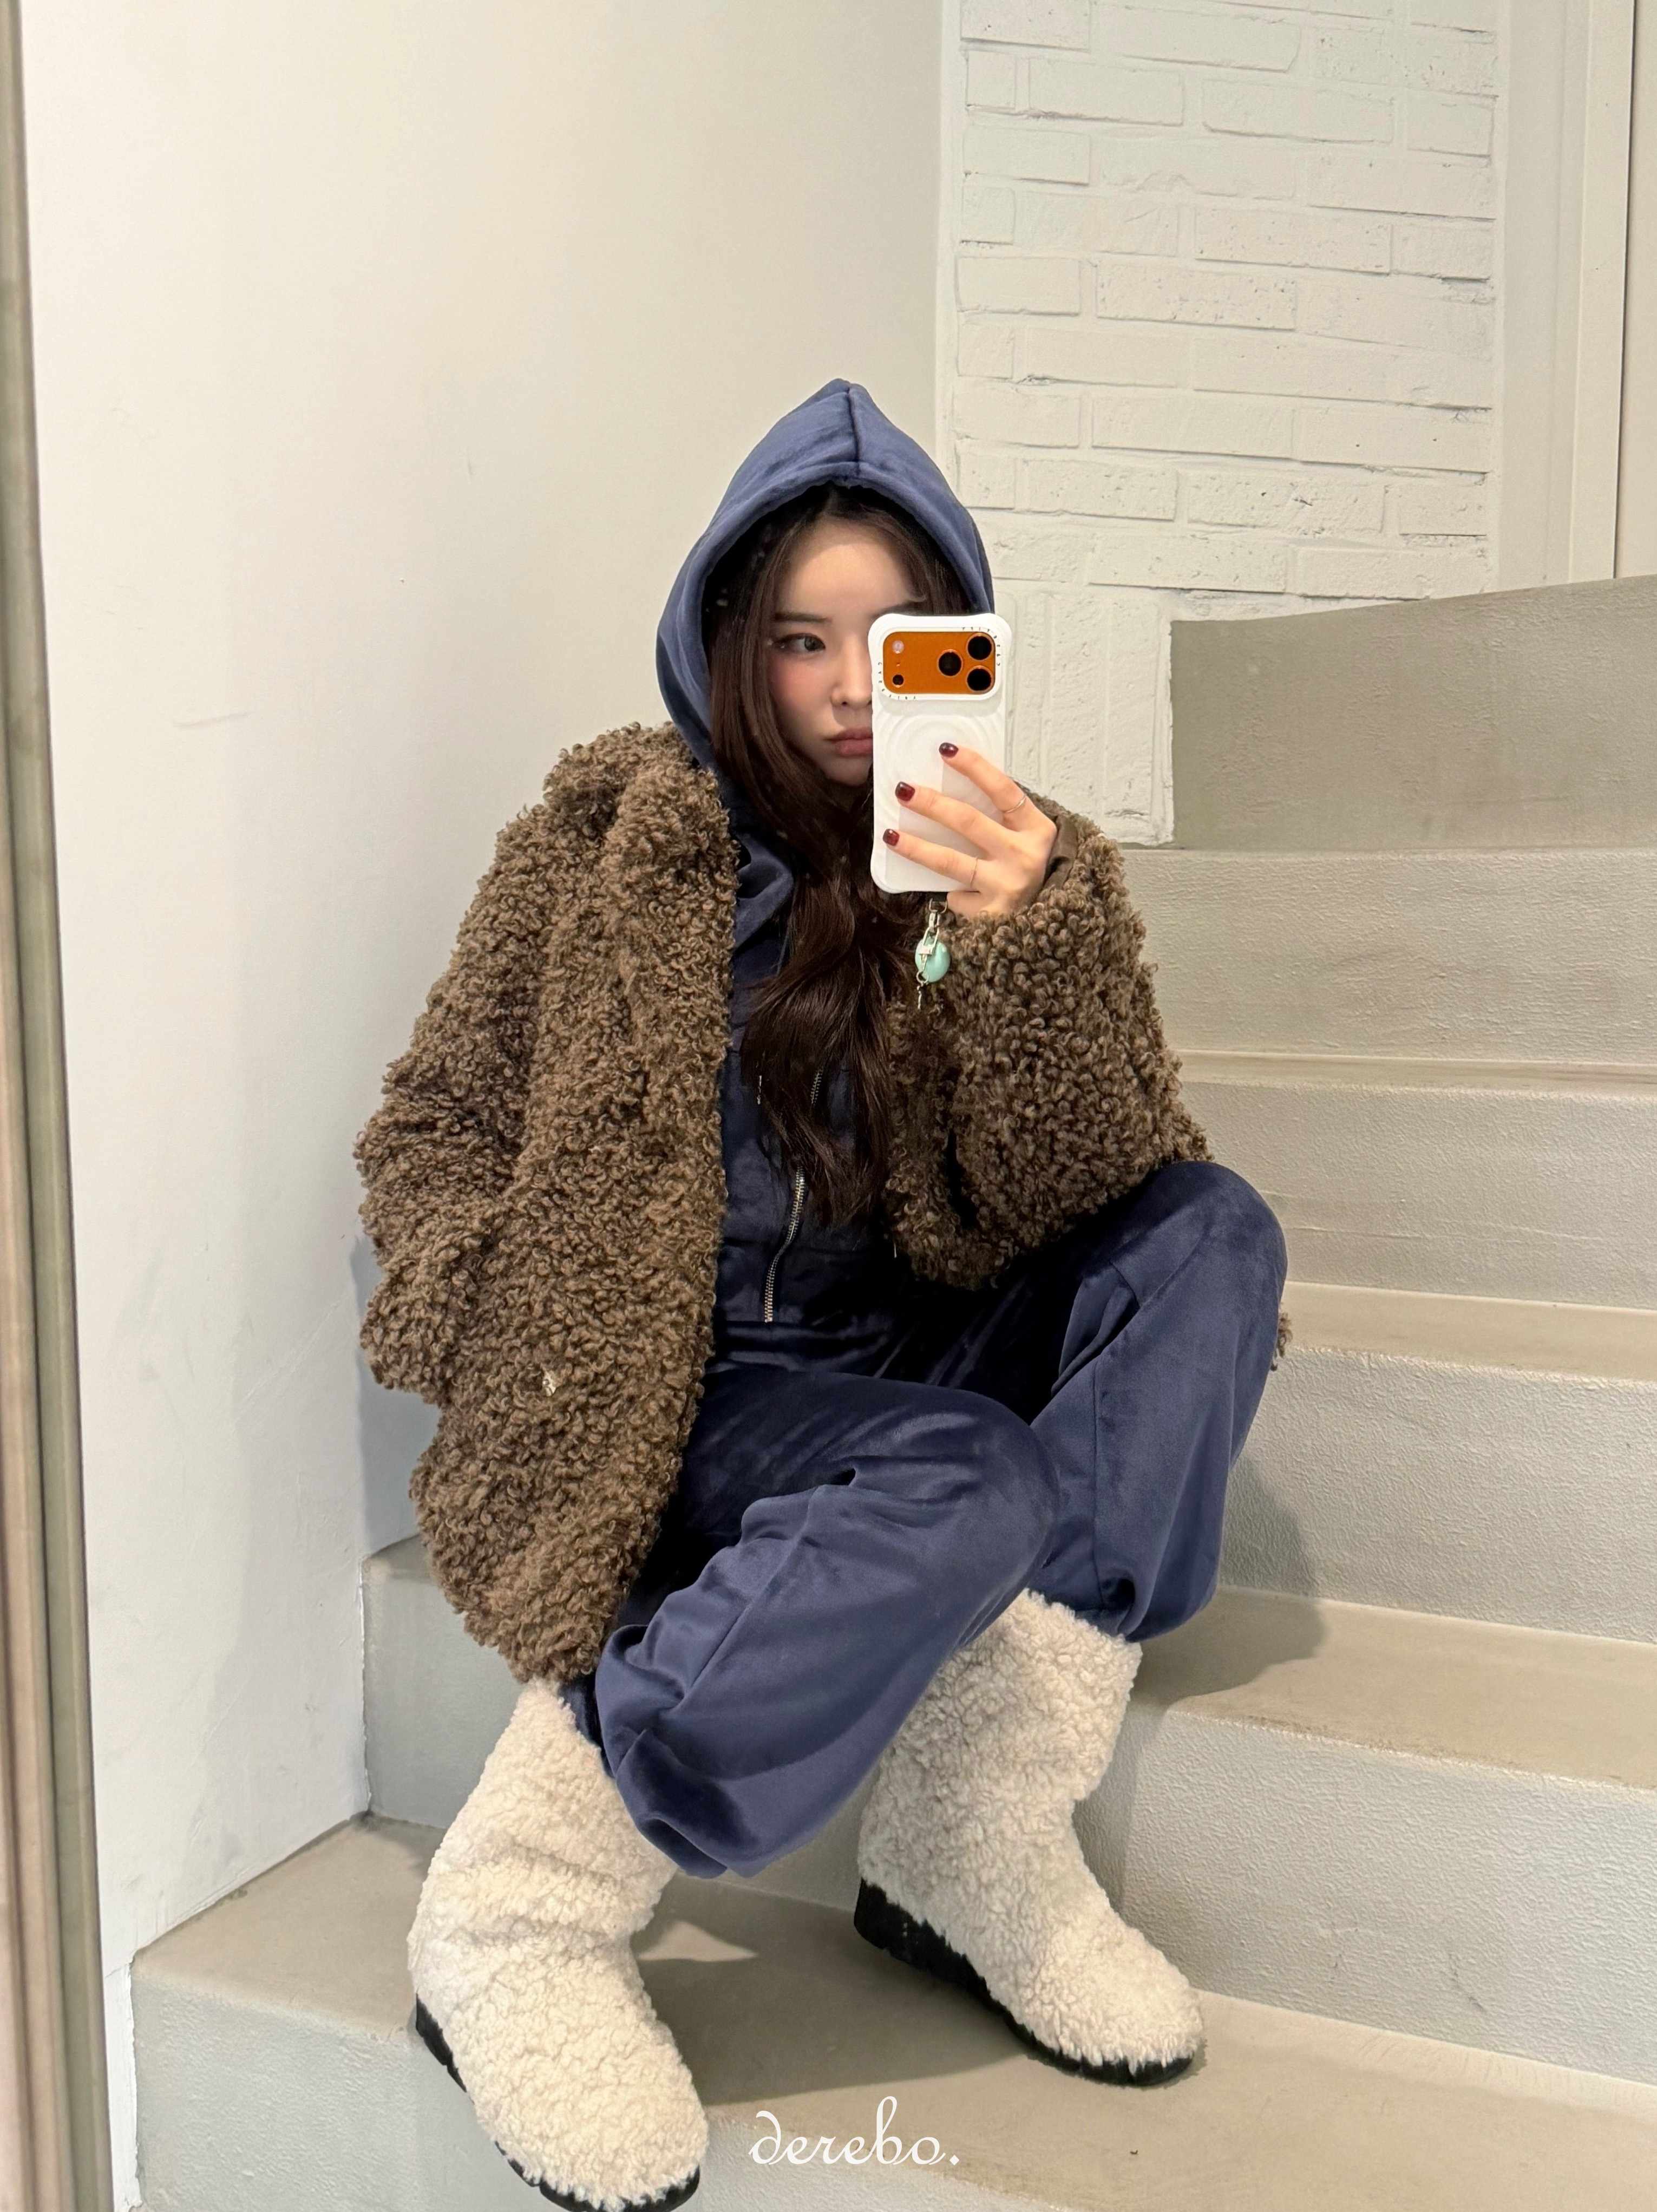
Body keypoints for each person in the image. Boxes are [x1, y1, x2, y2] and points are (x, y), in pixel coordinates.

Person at [352, 377, 1291, 2211]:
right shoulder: (602, 845)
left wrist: (1025, 948)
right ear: (732, 644)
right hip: (686, 1383)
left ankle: (969, 1828)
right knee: (961, 1479)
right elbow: (435, 1122)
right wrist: (500, 1322)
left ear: (962, 644)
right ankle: (527, 1902)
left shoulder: (1013, 861)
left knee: (1213, 1235)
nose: (855, 689)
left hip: (910, 1340)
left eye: (898, 641)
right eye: (803, 640)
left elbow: (1090, 1184)